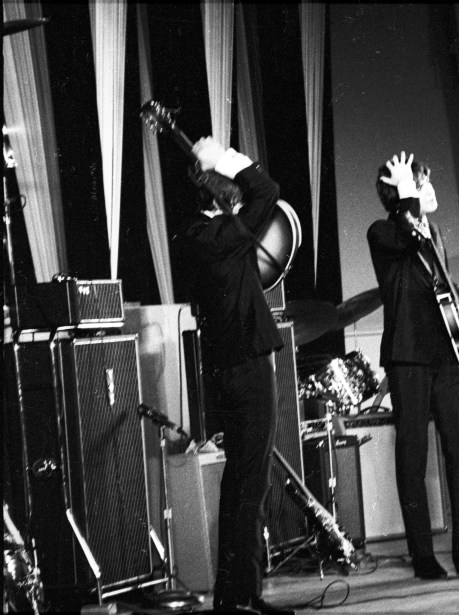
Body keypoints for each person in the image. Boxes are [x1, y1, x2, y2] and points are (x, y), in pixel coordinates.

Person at [367, 151, 459, 580]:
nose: (430, 190)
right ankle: (422, 556)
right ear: (401, 195)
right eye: (420, 185)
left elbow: (442, 282)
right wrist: (406, 195)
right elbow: (409, 241)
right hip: (407, 356)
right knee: (413, 454)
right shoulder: (382, 232)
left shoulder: (434, 232)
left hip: (444, 353)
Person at [182, 138, 292, 614]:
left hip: (226, 370)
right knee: (250, 485)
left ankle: (238, 595)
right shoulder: (223, 235)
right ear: (224, 196)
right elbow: (266, 190)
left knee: (242, 485)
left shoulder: (200, 235)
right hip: (247, 371)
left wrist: (212, 170)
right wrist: (221, 158)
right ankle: (241, 597)